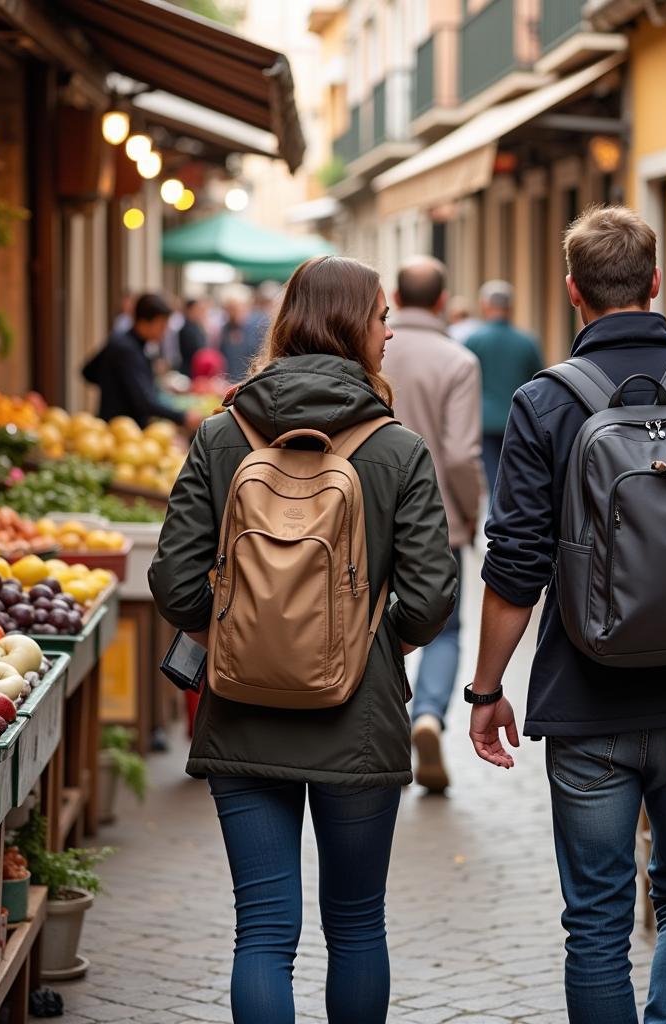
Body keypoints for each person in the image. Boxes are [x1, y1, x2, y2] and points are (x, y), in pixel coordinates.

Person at [466, 205, 666, 1024]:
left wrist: (485, 689)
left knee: (598, 919)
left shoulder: (546, 403)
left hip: (586, 698)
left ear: (573, 291)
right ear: (655, 284)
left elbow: (514, 565)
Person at [149, 255, 457, 1024]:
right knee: (356, 926)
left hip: (241, 716)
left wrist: (242, 628)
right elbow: (427, 601)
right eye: (381, 317)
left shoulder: (223, 435)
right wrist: (361, 642)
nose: (389, 333)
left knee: (262, 931)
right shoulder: (397, 449)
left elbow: (175, 583)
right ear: (356, 326)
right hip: (357, 721)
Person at [383, 256, 484, 794]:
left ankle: (387, 728)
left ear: (396, 296)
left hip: (371, 517)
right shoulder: (458, 360)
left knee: (377, 622)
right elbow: (462, 454)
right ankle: (428, 715)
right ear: (443, 301)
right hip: (440, 520)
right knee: (445, 630)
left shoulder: (373, 349)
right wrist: (469, 513)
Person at [463, 280, 544, 493]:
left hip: (484, 420)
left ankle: (493, 515)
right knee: (513, 478)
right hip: (517, 419)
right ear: (511, 307)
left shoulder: (473, 340)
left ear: (484, 305)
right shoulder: (527, 342)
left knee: (492, 478)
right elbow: (538, 381)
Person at [82, 293, 201, 431]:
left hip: (124, 427)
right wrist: (182, 417)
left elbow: (89, 372)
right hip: (122, 430)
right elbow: (144, 401)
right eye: (162, 325)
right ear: (145, 322)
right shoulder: (126, 349)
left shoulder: (123, 342)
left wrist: (114, 383)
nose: (165, 331)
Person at [177, 298, 209, 377]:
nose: (199, 312)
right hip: (190, 369)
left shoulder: (196, 326)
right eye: (197, 309)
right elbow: (196, 350)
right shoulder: (186, 329)